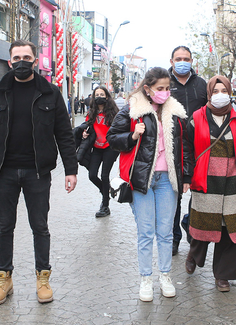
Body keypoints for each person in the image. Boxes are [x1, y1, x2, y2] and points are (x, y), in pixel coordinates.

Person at [0, 40, 78, 306]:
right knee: (4, 226)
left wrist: (70, 170)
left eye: (26, 57)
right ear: (9, 61)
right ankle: (4, 279)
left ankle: (43, 278)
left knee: (39, 226)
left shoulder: (50, 92)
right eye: (16, 57)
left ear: (35, 60)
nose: (21, 62)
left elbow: (64, 134)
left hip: (37, 172)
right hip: (3, 170)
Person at [107, 67, 187, 302]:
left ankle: (165, 275)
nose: (164, 92)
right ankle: (145, 279)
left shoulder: (175, 111)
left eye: (167, 88)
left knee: (165, 232)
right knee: (145, 233)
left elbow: (186, 148)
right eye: (160, 88)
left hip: (167, 180)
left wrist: (186, 178)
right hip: (142, 180)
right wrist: (132, 136)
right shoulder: (133, 109)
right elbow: (113, 138)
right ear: (147, 89)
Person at [183, 75, 236, 292]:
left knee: (229, 229)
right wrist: (188, 175)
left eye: (224, 90)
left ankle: (223, 275)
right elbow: (187, 148)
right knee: (203, 225)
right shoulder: (196, 118)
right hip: (206, 180)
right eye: (216, 91)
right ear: (209, 94)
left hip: (232, 181)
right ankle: (194, 254)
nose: (220, 95)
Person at [167, 45, 208, 256]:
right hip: (171, 148)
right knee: (174, 196)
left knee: (199, 192)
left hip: (199, 148)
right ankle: (174, 239)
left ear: (192, 61)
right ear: (171, 61)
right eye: (178, 58)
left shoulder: (202, 85)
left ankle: (189, 222)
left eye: (186, 58)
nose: (182, 61)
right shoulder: (163, 84)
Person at [78, 86, 120, 218]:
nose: (99, 97)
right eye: (97, 94)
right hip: (96, 147)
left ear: (107, 96)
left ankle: (105, 206)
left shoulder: (114, 113)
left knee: (105, 175)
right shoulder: (91, 113)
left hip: (110, 148)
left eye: (102, 94)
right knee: (92, 175)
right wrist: (85, 133)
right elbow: (87, 127)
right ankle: (106, 191)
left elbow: (120, 128)